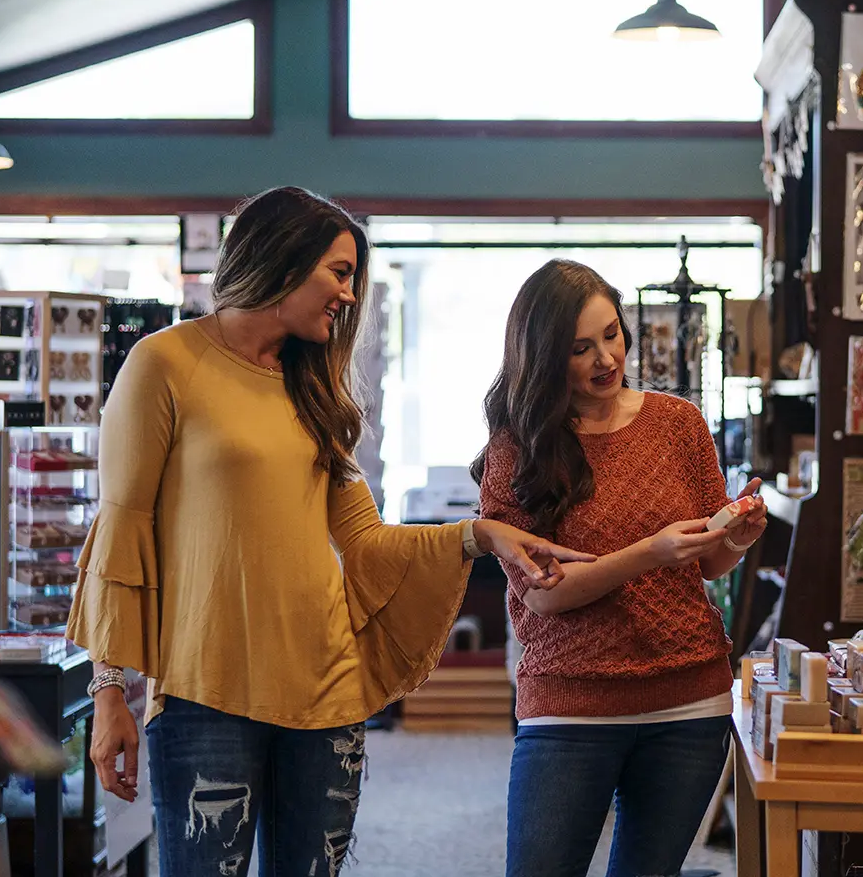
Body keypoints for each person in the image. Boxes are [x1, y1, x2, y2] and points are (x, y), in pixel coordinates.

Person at [66, 187, 591, 877]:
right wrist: (110, 692)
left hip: (326, 694)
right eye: (338, 273)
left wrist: (481, 534)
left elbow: (367, 542)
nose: (348, 294)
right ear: (284, 260)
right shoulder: (164, 365)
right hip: (203, 695)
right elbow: (121, 530)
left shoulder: (314, 392)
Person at [473, 260, 769, 877]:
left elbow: (707, 561)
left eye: (612, 334)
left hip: (689, 702)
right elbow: (543, 596)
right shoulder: (519, 441)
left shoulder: (678, 424)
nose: (606, 358)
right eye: (580, 348)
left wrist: (735, 537)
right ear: (544, 356)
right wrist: (649, 553)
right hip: (569, 704)